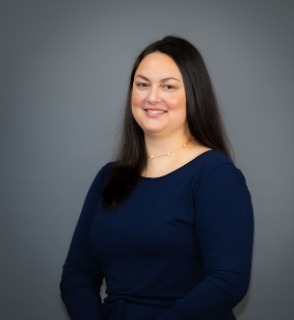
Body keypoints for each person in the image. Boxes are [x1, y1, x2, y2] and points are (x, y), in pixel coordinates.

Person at [60, 35, 254, 320]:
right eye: (142, 84)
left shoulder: (215, 175)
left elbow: (228, 280)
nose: (152, 97)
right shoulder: (109, 177)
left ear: (193, 93)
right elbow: (77, 273)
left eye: (168, 86)